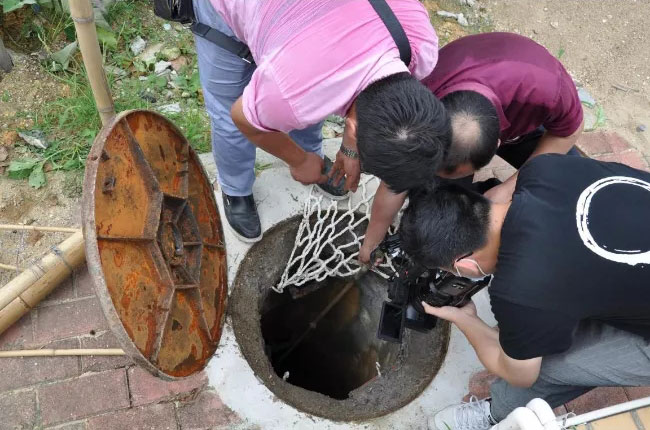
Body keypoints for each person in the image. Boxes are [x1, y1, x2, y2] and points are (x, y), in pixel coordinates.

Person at [397, 154, 650, 430]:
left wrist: (465, 319)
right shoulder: (546, 168)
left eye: (450, 270)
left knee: (550, 364)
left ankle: (497, 413)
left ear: (464, 264)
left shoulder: (521, 293)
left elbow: (520, 375)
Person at [192, 0, 448, 242]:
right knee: (227, 110)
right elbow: (242, 118)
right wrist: (299, 161)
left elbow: (369, 88)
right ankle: (235, 190)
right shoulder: (293, 92)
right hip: (239, 11)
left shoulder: (421, 44)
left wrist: (350, 147)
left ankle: (310, 151)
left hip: (308, 37)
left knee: (314, 103)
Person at [360, 32, 584, 264]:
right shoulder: (421, 105)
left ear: (497, 145)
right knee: (432, 197)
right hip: (462, 100)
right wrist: (371, 242)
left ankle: (492, 202)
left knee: (569, 184)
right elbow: (394, 186)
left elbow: (568, 131)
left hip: (525, 118)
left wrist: (509, 188)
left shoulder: (548, 90)